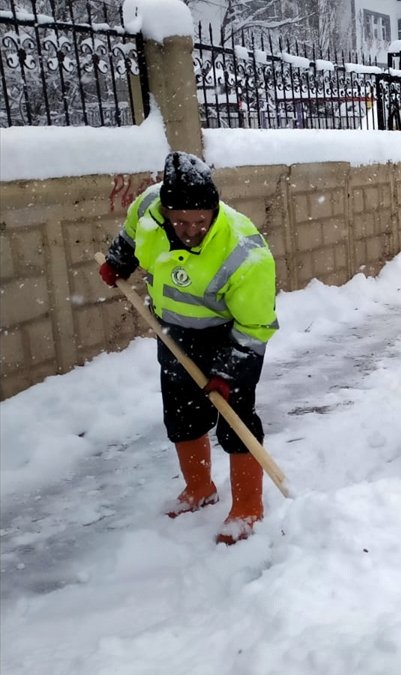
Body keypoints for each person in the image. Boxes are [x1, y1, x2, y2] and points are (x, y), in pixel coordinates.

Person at [98, 151, 278, 545]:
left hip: (228, 334)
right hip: (173, 330)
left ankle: (248, 507)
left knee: (235, 421)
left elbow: (256, 327)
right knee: (181, 415)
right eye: (180, 221)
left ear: (214, 211)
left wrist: (229, 373)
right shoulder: (148, 205)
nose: (191, 230)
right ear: (164, 210)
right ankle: (200, 488)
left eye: (201, 221)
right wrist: (119, 260)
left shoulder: (245, 252)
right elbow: (132, 235)